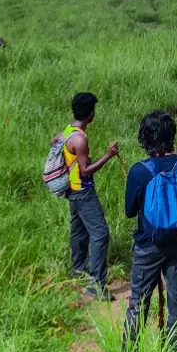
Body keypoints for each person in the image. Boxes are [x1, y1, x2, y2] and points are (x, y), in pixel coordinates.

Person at [124, 110, 177, 349]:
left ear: (145, 138)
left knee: (138, 303)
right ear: (172, 135)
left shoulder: (139, 171)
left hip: (147, 245)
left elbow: (129, 211)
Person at [61, 91, 118, 299]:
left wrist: (70, 163)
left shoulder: (67, 131)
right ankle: (97, 283)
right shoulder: (80, 139)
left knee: (78, 230)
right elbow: (86, 170)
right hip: (83, 191)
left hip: (71, 190)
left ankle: (78, 269)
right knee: (100, 233)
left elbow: (54, 142)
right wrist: (108, 155)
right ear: (90, 114)